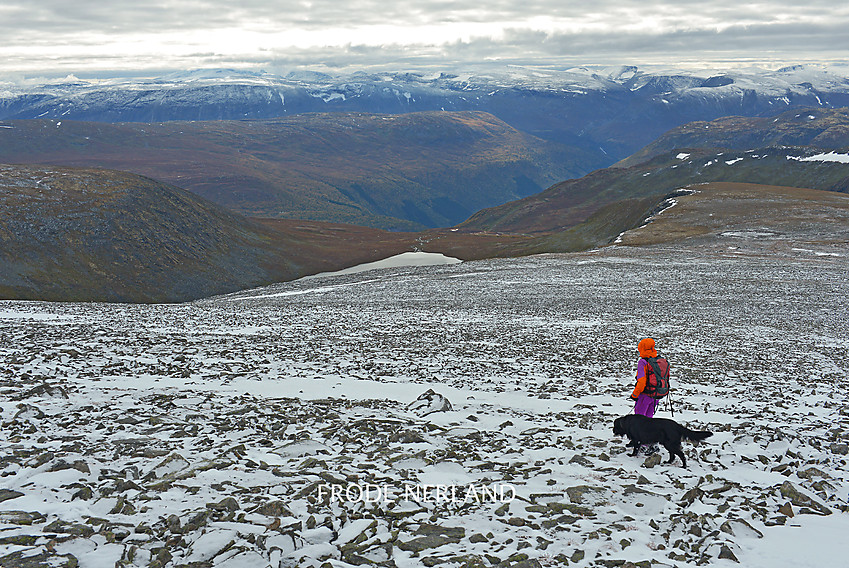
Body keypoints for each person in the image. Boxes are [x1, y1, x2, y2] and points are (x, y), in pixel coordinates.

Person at [629, 337, 661, 454]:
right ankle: (652, 443)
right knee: (649, 420)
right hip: (656, 395)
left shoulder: (643, 362)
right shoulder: (657, 360)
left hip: (645, 395)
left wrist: (635, 394)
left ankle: (643, 444)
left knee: (639, 421)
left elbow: (641, 381)